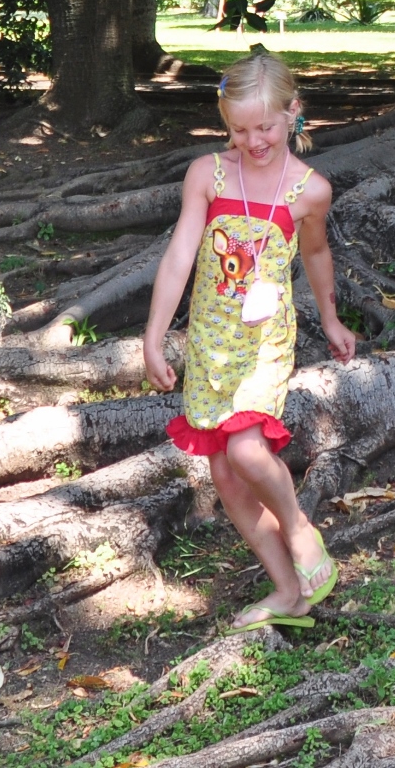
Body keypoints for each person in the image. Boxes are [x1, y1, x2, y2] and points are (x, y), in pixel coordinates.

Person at [142, 50, 358, 632]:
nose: (253, 140)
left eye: (265, 126)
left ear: (294, 113)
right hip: (211, 343)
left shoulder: (308, 191)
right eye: (239, 129)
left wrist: (332, 321)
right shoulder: (207, 175)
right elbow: (182, 255)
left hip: (264, 343)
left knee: (245, 450)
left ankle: (298, 528)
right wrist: (155, 336)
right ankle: (289, 592)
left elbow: (315, 254)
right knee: (226, 476)